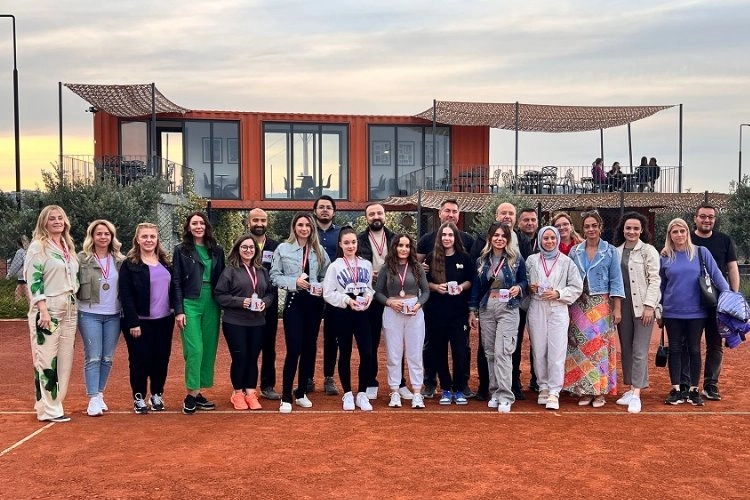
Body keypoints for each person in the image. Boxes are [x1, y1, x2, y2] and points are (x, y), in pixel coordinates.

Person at [660, 218, 730, 406]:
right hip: (672, 312)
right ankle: (676, 389)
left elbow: (717, 275)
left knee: (694, 349)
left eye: (682, 231)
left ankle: (693, 390)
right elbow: (661, 286)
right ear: (670, 235)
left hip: (697, 312)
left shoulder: (701, 252)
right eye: (675, 232)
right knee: (675, 349)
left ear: (687, 232)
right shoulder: (665, 256)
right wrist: (659, 309)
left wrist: (729, 297)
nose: (679, 235)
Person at [24, 205, 80, 422]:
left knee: (65, 359)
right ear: (44, 223)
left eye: (60, 218)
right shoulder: (38, 247)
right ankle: (48, 409)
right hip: (49, 307)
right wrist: (43, 310)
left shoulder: (67, 245)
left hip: (70, 305)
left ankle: (53, 403)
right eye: (52, 219)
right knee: (46, 359)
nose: (57, 221)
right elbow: (34, 279)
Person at [270, 212, 330, 413]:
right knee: (294, 349)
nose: (304, 229)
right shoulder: (283, 249)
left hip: (314, 304)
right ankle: (286, 396)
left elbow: (327, 275)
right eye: (300, 225)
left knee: (309, 349)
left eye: (307, 225)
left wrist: (320, 285)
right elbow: (274, 276)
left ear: (312, 228)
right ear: (294, 227)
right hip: (294, 303)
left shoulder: (319, 250)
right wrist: (293, 282)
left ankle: (302, 392)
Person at [564, 209, 624, 407]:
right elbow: (569, 278)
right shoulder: (575, 251)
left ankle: (599, 391)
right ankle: (584, 390)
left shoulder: (610, 251)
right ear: (583, 229)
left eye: (594, 226)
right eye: (587, 226)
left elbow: (616, 281)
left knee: (598, 348)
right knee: (579, 347)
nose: (591, 229)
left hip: (600, 304)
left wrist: (617, 308)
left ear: (600, 228)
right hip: (578, 304)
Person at [418, 198, 475, 398]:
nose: (451, 215)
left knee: (461, 350)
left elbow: (471, 277)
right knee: (433, 348)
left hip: (459, 311)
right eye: (447, 211)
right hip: (435, 310)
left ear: (459, 215)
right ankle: (432, 383)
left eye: (454, 211)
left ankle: (462, 385)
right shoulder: (427, 242)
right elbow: (418, 269)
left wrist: (462, 289)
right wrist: (433, 284)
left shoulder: (468, 243)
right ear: (439, 213)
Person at [468, 222, 527, 413]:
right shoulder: (481, 261)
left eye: (503, 236)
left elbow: (524, 280)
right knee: (490, 353)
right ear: (490, 238)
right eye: (496, 235)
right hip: (487, 307)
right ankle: (495, 392)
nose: (499, 239)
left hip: (508, 307)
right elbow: (476, 287)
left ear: (507, 239)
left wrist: (519, 288)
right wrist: (472, 310)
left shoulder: (515, 258)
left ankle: (505, 396)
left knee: (503, 351)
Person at [172, 211, 226, 414]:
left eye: (201, 223)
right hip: (190, 302)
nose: (198, 226)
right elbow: (176, 281)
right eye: (194, 223)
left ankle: (198, 392)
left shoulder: (217, 250)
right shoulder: (181, 250)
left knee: (209, 349)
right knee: (194, 349)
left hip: (212, 302)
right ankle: (191, 394)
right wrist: (179, 310)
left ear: (206, 226)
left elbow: (222, 277)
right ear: (188, 227)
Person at [119, 223, 176, 414]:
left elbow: (174, 289)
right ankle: (139, 397)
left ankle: (157, 394)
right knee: (139, 360)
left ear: (157, 239)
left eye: (152, 236)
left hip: (164, 320)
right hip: (139, 322)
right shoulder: (130, 264)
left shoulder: (166, 262)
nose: (149, 240)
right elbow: (126, 295)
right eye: (144, 236)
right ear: (137, 239)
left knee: (161, 359)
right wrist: (133, 321)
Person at [525, 226, 583, 410]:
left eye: (552, 238)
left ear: (557, 239)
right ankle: (543, 386)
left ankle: (554, 391)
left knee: (557, 350)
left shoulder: (567, 262)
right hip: (537, 306)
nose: (549, 242)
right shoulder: (532, 260)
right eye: (545, 238)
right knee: (539, 349)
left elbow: (576, 286)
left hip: (558, 308)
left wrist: (559, 293)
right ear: (540, 240)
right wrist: (529, 287)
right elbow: (524, 281)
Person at [214, 234, 274, 411]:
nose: (248, 250)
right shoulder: (230, 271)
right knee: (240, 357)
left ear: (256, 250)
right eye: (244, 247)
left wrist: (265, 303)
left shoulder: (262, 271)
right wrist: (242, 302)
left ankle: (250, 392)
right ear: (238, 250)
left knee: (253, 358)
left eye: (251, 247)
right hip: (235, 321)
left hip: (257, 322)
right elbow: (220, 295)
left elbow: (270, 293)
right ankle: (238, 393)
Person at [357, 203, 408, 401]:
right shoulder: (359, 240)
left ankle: (400, 383)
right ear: (366, 218)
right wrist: (368, 273)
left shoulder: (396, 239)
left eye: (379, 213)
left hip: (393, 297)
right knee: (370, 342)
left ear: (385, 216)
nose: (376, 216)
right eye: (371, 214)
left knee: (396, 344)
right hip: (369, 297)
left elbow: (406, 263)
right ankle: (371, 381)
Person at [689, 203, 740, 401]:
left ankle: (711, 385)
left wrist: (734, 296)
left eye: (710, 217)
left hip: (717, 302)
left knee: (715, 345)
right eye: (703, 216)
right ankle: (688, 384)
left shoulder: (724, 240)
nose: (707, 220)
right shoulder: (686, 238)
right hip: (690, 301)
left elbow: (732, 268)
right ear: (695, 218)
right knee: (689, 344)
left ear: (714, 219)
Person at [612, 212, 661, 414]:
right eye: (628, 228)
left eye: (636, 228)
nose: (631, 231)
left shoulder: (648, 251)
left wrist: (650, 306)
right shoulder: (615, 252)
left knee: (640, 350)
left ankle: (637, 394)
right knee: (627, 349)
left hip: (643, 306)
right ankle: (632, 388)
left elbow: (655, 279)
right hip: (622, 306)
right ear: (622, 229)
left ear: (642, 230)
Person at [375, 233, 430, 409]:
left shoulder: (417, 267)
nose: (403, 249)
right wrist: (390, 302)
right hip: (392, 312)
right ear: (394, 247)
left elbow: (426, 291)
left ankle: (417, 393)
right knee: (394, 354)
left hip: (414, 312)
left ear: (411, 248)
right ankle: (395, 392)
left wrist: (418, 305)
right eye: (400, 245)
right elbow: (378, 292)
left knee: (415, 354)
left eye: (407, 246)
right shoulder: (386, 267)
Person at [76, 219, 126, 417]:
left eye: (107, 234)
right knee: (93, 356)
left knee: (107, 358)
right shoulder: (82, 259)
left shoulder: (120, 260)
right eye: (99, 234)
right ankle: (92, 397)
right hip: (89, 314)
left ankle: (99, 393)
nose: (103, 237)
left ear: (112, 237)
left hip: (114, 315)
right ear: (92, 236)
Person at [323, 227, 375, 411]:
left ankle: (362, 394)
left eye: (353, 242)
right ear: (340, 244)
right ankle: (347, 394)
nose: (350, 246)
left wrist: (368, 297)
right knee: (345, 352)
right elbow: (328, 293)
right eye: (346, 243)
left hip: (362, 311)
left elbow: (369, 287)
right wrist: (346, 300)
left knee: (367, 353)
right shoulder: (335, 266)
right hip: (343, 312)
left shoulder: (366, 264)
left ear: (357, 243)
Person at [247, 208, 281, 400]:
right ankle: (245, 385)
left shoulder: (276, 246)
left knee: (269, 346)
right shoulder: (242, 244)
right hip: (246, 305)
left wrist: (267, 300)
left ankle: (268, 385)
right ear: (248, 223)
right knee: (247, 347)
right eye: (255, 220)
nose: (259, 224)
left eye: (263, 220)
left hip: (269, 304)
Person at [312, 195, 341, 396]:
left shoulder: (340, 234)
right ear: (315, 211)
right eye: (321, 207)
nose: (324, 210)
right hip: (312, 292)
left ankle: (329, 377)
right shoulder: (306, 231)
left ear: (334, 212)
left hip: (335, 294)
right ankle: (307, 378)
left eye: (328, 207)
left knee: (332, 337)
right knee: (309, 337)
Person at [7, 235, 29, 302]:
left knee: (26, 294)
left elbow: (16, 265)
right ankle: (19, 306)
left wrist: (9, 274)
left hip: (23, 276)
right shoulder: (30, 251)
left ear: (18, 244)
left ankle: (32, 307)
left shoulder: (20, 252)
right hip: (30, 274)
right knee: (18, 293)